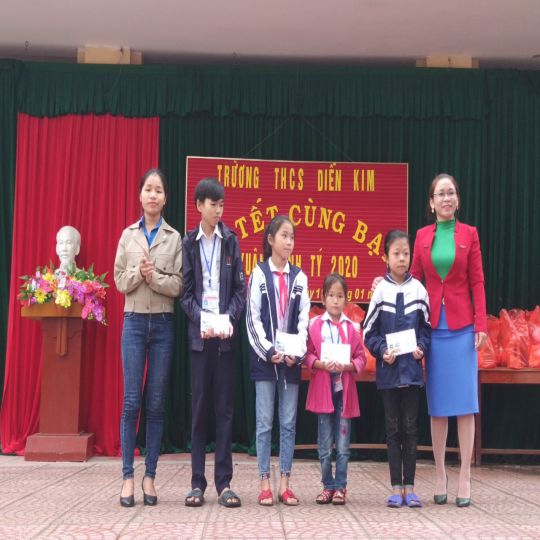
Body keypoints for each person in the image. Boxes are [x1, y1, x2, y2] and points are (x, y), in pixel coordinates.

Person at [373, 173, 487, 507]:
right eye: (441, 194)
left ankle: (464, 475)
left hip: (463, 328)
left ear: (457, 200)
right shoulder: (422, 237)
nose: (446, 198)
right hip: (432, 328)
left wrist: (481, 324)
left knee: (465, 404)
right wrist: (382, 283)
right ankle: (439, 474)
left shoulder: (470, 234)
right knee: (438, 405)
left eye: (451, 193)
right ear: (431, 202)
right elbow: (412, 281)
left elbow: (477, 282)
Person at [114, 168, 183, 507]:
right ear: (140, 195)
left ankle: (150, 476)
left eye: (158, 190)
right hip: (134, 323)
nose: (153, 195)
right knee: (131, 402)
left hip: (163, 326)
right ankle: (128, 476)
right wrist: (138, 274)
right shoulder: (128, 236)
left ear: (165, 198)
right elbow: (118, 281)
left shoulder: (174, 237)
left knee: (155, 404)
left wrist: (153, 277)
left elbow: (178, 285)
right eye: (148, 189)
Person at [180, 178, 246, 508]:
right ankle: (197, 483)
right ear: (199, 206)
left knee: (224, 410)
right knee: (199, 411)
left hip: (224, 340)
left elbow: (240, 290)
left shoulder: (231, 241)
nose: (218, 210)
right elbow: (186, 293)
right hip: (199, 339)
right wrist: (202, 320)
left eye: (221, 205)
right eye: (212, 204)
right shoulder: (188, 243)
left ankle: (224, 483)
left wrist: (227, 320)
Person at [246, 215, 310, 506]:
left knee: (288, 423)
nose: (289, 242)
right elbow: (252, 319)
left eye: (292, 237)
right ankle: (264, 481)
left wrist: (298, 352)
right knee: (264, 423)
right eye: (284, 236)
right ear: (270, 240)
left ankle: (285, 481)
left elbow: (304, 320)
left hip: (291, 361)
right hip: (266, 360)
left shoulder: (299, 278)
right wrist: (269, 350)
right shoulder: (259, 274)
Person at [364, 230, 431, 508]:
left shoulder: (420, 291)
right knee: (392, 430)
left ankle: (410, 488)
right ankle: (395, 487)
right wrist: (382, 351)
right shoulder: (381, 291)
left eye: (406, 253)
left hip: (412, 375)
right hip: (389, 375)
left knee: (411, 429)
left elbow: (426, 329)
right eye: (396, 254)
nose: (402, 258)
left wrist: (421, 348)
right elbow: (369, 331)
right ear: (386, 257)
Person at [305, 273, 366, 506]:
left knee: (342, 444)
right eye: (331, 295)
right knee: (324, 444)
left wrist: (348, 366)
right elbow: (307, 355)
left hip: (344, 390)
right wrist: (320, 364)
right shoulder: (314, 326)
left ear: (346, 299)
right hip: (323, 390)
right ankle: (327, 486)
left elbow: (360, 358)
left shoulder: (352, 328)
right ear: (322, 298)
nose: (335, 300)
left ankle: (340, 486)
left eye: (340, 296)